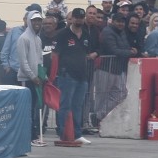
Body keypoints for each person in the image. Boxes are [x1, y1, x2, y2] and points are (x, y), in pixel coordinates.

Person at [53, 8, 98, 145]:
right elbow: (55, 55)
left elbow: (91, 50)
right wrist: (54, 73)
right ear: (71, 18)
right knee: (65, 105)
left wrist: (94, 54)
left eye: (81, 17)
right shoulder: (62, 34)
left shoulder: (85, 35)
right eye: (76, 17)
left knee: (77, 106)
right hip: (66, 75)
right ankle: (63, 134)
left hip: (81, 75)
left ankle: (77, 133)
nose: (79, 20)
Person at [94, 13, 134, 125]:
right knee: (101, 96)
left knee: (121, 93)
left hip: (118, 68)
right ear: (113, 21)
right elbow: (113, 50)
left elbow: (124, 47)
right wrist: (129, 52)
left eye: (122, 22)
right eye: (118, 21)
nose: (121, 23)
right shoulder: (107, 32)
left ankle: (98, 116)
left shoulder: (122, 32)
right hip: (105, 69)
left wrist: (128, 51)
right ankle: (96, 118)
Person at [16, 10, 46, 147]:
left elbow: (39, 59)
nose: (37, 23)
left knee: (35, 107)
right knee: (26, 108)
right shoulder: (24, 38)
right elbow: (23, 62)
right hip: (26, 79)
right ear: (29, 21)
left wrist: (41, 74)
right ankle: (26, 135)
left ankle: (33, 134)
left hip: (36, 79)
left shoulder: (38, 39)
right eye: (34, 20)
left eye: (39, 20)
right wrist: (32, 76)